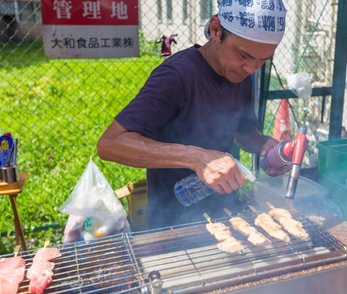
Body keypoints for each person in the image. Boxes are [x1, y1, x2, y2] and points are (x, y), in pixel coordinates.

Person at [97, 0, 288, 229]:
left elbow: (245, 134)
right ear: (216, 30)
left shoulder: (241, 74)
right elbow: (109, 144)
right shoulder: (176, 76)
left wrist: (271, 148)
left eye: (262, 61)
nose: (251, 69)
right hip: (172, 220)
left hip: (225, 213)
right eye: (244, 56)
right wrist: (197, 158)